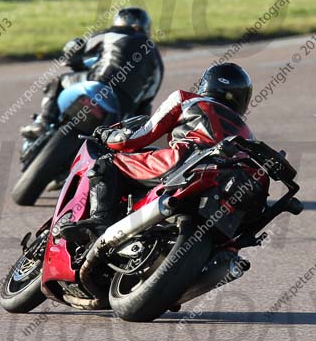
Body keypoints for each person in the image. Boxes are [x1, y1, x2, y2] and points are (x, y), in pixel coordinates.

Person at [61, 63, 254, 241]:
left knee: (107, 162)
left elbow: (137, 137)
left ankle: (99, 221)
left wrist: (107, 136)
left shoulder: (186, 99)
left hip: (183, 161)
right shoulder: (247, 132)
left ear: (207, 85)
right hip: (227, 180)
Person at [20, 7, 164, 140]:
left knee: (58, 81)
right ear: (146, 27)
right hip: (123, 108)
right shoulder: (156, 58)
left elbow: (76, 48)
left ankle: (43, 123)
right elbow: (148, 97)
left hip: (99, 83)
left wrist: (74, 61)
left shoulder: (112, 34)